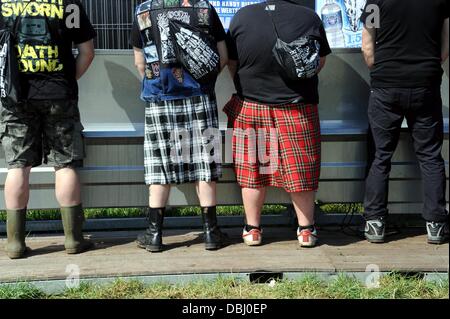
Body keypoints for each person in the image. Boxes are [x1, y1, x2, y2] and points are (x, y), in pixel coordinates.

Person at [225, 0, 331, 248]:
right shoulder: (309, 17)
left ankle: (253, 229)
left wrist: (245, 86)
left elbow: (231, 61)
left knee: (253, 168)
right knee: (300, 167)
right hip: (297, 107)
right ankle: (306, 230)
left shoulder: (242, 16)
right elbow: (319, 61)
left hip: (251, 105)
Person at [0, 0, 96, 259]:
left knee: (18, 166)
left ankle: (15, 244)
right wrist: (65, 80)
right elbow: (87, 51)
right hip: (59, 95)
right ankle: (73, 239)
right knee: (65, 164)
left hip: (15, 96)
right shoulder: (68, 5)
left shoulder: (4, 4)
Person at [130, 0, 229, 252]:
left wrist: (157, 84)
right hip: (200, 95)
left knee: (159, 164)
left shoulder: (144, 10)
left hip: (160, 97)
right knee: (204, 163)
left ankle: (154, 234)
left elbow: (140, 62)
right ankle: (210, 233)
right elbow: (223, 56)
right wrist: (202, 82)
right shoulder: (203, 8)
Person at [361, 0, 449, 244]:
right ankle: (436, 224)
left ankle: (375, 222)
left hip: (386, 86)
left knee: (380, 155)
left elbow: (367, 47)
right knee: (430, 155)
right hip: (426, 85)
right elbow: (445, 46)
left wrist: (382, 71)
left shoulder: (375, 2)